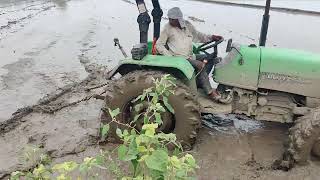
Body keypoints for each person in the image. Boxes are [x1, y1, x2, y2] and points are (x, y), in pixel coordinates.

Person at [156, 7, 223, 100]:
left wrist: (211, 37)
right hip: (179, 59)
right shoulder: (167, 28)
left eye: (172, 19)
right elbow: (159, 45)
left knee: (210, 58)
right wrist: (170, 57)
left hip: (190, 56)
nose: (170, 21)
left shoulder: (187, 25)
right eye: (169, 19)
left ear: (179, 19)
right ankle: (210, 92)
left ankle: (200, 82)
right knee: (201, 65)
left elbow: (198, 36)